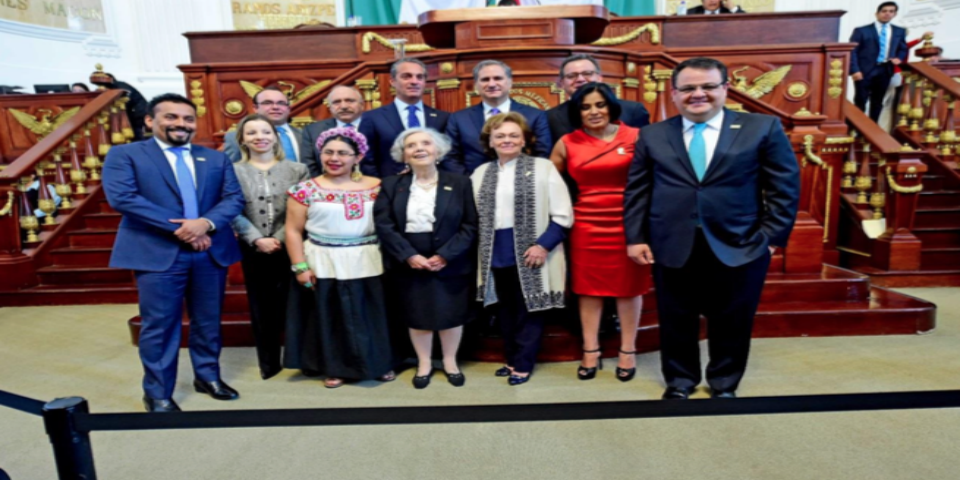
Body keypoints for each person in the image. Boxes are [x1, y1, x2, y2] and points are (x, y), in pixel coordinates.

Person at [623, 57, 799, 400]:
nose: (698, 94)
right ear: (674, 94)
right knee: (676, 318)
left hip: (741, 242)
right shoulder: (653, 135)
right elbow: (638, 190)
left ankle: (724, 384)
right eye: (688, 88)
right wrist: (636, 237)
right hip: (671, 242)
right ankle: (680, 381)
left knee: (733, 318)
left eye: (708, 86)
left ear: (725, 89)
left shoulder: (761, 128)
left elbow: (784, 187)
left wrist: (770, 238)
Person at [102, 93, 244, 412]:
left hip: (209, 251)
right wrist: (184, 229)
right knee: (160, 325)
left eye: (188, 119)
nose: (181, 124)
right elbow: (123, 198)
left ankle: (208, 376)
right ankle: (158, 392)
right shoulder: (125, 154)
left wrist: (205, 224)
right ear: (150, 121)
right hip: (158, 252)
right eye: (171, 117)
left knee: (208, 320)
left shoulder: (215, 158)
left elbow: (233, 199)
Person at [550, 82, 650, 382]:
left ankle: (627, 351)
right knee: (588, 290)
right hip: (587, 225)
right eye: (585, 107)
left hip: (630, 225)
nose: (594, 111)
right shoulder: (567, 142)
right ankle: (590, 350)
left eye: (600, 105)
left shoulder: (637, 136)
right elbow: (545, 184)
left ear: (611, 106)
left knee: (629, 289)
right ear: (577, 112)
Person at [284, 127, 396, 388]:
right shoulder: (304, 190)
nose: (334, 158)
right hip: (324, 261)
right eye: (328, 152)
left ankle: (380, 364)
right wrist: (299, 266)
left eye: (343, 153)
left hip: (369, 258)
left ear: (357, 157)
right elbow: (292, 230)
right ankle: (335, 367)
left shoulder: (378, 186)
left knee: (373, 316)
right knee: (332, 317)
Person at [471, 112, 573, 386]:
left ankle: (523, 364)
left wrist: (543, 245)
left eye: (514, 135)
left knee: (529, 310)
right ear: (490, 141)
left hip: (534, 250)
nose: (507, 140)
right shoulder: (480, 173)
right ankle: (511, 358)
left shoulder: (543, 168)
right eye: (500, 136)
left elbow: (563, 213)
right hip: (494, 249)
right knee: (505, 310)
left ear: (525, 139)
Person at [374, 128, 478, 389]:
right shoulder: (390, 185)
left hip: (450, 258)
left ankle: (450, 361)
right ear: (403, 154)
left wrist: (445, 255)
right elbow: (384, 225)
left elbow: (470, 225)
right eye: (411, 145)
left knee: (450, 314)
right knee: (417, 314)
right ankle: (424, 363)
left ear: (438, 150)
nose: (419, 148)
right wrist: (409, 255)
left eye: (425, 143)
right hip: (409, 259)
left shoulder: (460, 182)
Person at [230, 114, 310, 380]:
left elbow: (301, 207)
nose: (259, 137)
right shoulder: (233, 171)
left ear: (275, 137)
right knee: (262, 306)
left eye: (265, 132)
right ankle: (268, 362)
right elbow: (232, 208)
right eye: (251, 133)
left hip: (291, 245)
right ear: (242, 139)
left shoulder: (297, 170)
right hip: (253, 247)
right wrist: (256, 238)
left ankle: (302, 359)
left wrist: (279, 236)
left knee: (297, 303)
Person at [444, 60, 552, 175]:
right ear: (476, 85)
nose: (491, 84)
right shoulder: (458, 119)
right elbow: (450, 156)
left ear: (510, 82)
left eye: (498, 78)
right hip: (473, 184)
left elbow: (542, 152)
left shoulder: (535, 115)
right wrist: (470, 182)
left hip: (523, 183)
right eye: (485, 79)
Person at [360, 58, 449, 178]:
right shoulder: (372, 118)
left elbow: (449, 157)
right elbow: (367, 160)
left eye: (419, 77)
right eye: (407, 76)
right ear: (392, 81)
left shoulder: (443, 117)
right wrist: (384, 186)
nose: (414, 81)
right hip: (391, 189)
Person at [545, 54, 650, 144]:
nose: (580, 79)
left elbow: (645, 149)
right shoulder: (549, 117)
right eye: (571, 76)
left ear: (600, 78)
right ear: (562, 83)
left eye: (587, 73)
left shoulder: (633, 110)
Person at [850, 2, 908, 122]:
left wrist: (899, 58)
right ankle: (856, 130)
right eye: (884, 11)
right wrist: (854, 70)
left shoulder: (899, 31)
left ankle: (872, 130)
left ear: (895, 14)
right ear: (877, 13)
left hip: (885, 69)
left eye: (891, 11)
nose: (887, 14)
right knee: (860, 101)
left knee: (877, 101)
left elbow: (903, 47)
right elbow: (852, 51)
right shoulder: (862, 30)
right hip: (864, 71)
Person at [224, 86, 305, 164]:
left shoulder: (305, 134)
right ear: (255, 108)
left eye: (281, 103)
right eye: (268, 103)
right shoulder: (235, 137)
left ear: (288, 108)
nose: (275, 107)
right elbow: (230, 169)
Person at [300, 86, 365, 177]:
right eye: (336, 102)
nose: (344, 106)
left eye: (350, 101)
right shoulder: (313, 130)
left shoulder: (378, 126)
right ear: (329, 107)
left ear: (362, 105)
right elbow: (309, 165)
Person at [89, 68, 149, 140]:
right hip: (133, 112)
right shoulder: (116, 86)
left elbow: (126, 99)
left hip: (136, 113)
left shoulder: (119, 86)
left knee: (135, 133)